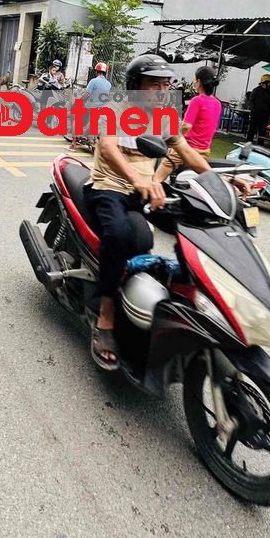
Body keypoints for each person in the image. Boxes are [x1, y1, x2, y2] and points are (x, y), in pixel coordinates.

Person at [82, 54, 214, 369]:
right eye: (155, 84)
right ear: (135, 86)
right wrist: (138, 179)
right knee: (119, 234)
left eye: (166, 84)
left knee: (194, 219)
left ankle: (184, 297)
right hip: (108, 187)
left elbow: (185, 151)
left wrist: (219, 181)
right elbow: (109, 147)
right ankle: (106, 314)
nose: (162, 90)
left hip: (142, 191)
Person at [155, 65, 222, 183]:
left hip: (185, 150)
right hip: (204, 151)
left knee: (157, 178)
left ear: (199, 82)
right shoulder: (217, 103)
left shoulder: (197, 100)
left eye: (195, 80)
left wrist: (170, 137)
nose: (194, 82)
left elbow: (186, 126)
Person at [67, 61, 111, 150]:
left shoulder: (93, 81)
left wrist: (79, 101)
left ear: (96, 72)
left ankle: (73, 144)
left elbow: (87, 94)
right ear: (105, 73)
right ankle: (84, 135)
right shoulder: (109, 84)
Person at [247, 73, 270, 142]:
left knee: (262, 131)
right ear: (265, 82)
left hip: (264, 116)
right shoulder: (256, 90)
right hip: (255, 114)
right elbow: (251, 101)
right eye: (269, 82)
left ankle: (260, 144)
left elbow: (269, 103)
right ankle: (248, 142)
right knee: (252, 130)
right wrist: (253, 111)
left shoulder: (268, 92)